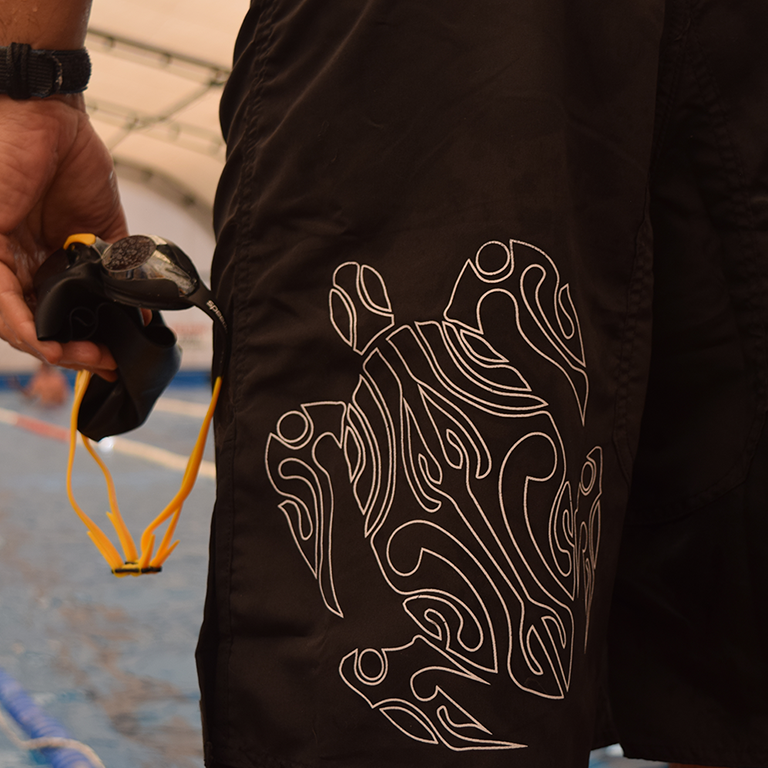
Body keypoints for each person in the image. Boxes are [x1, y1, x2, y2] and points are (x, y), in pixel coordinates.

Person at [1, 1, 766, 767]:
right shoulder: (465, 326)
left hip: (447, 41)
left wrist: (35, 79)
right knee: (728, 645)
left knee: (726, 666)